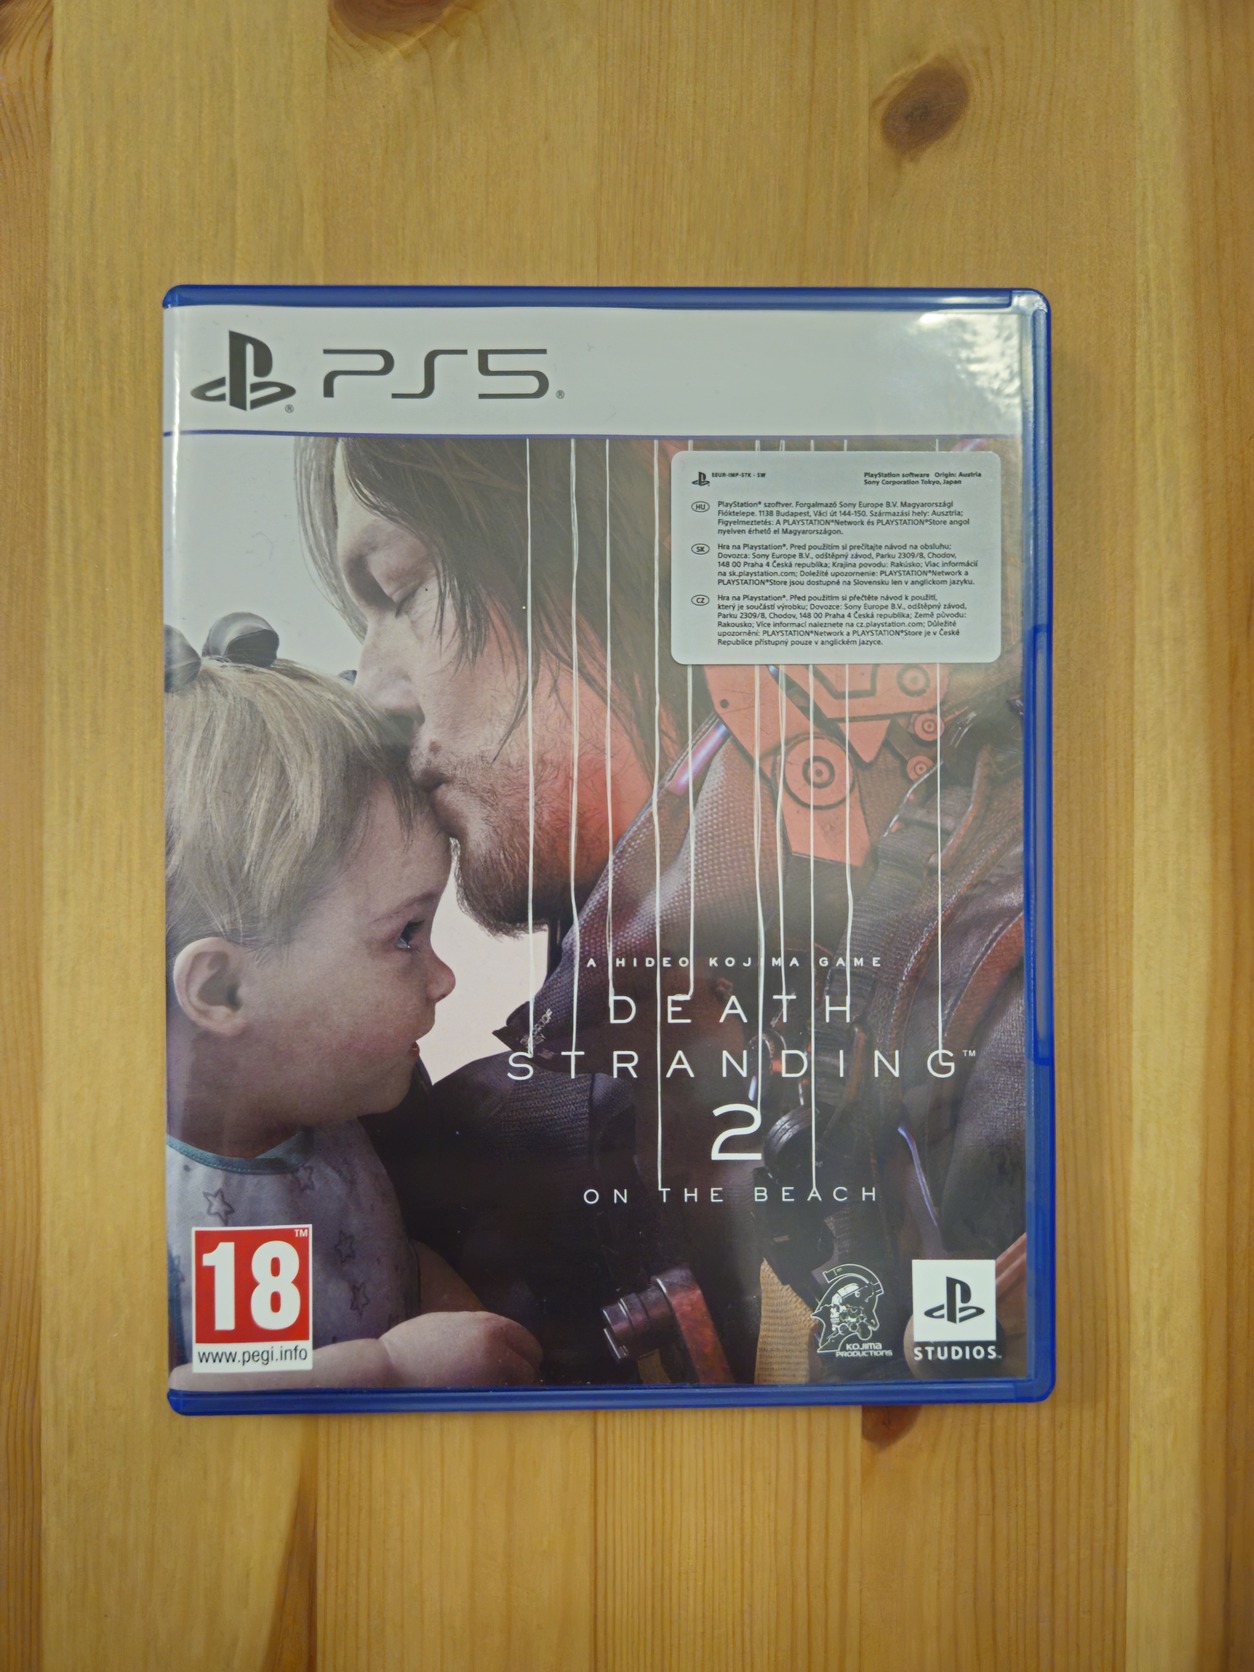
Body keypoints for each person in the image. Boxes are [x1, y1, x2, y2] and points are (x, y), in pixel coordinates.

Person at [296, 437, 1030, 1386]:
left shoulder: (1010, 1007)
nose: (374, 691)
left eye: (401, 590)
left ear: (643, 534)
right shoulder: (646, 1004)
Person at [164, 617, 543, 1391]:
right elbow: (207, 1392)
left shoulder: (329, 1123)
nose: (443, 978)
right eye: (404, 935)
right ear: (222, 990)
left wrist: (441, 1297)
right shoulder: (182, 1207)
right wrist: (394, 1367)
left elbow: (378, 1253)